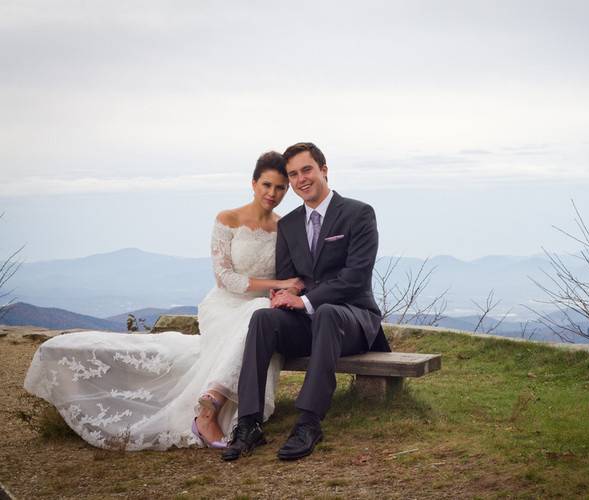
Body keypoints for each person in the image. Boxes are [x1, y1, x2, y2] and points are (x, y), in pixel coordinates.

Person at [23, 151, 302, 450]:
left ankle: (211, 402)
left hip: (259, 308)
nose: (273, 193)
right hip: (225, 305)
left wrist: (288, 289)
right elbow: (225, 278)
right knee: (256, 316)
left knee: (260, 316)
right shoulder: (228, 219)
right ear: (253, 183)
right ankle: (208, 409)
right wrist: (279, 283)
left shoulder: (284, 227)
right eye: (267, 185)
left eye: (280, 188)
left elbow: (292, 272)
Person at [221, 142, 390, 462]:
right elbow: (289, 278)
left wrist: (308, 300)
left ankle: (309, 422)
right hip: (310, 323)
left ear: (323, 170)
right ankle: (249, 423)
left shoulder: (358, 213)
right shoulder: (289, 224)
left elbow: (355, 278)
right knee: (262, 319)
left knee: (325, 312)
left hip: (352, 318)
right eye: (293, 174)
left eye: (307, 170)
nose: (301, 179)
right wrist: (284, 296)